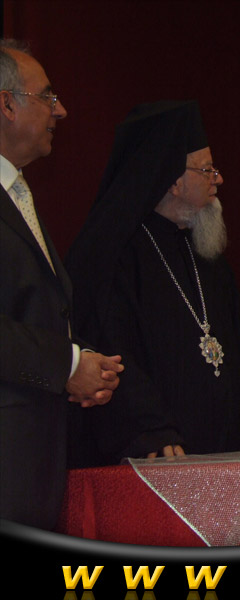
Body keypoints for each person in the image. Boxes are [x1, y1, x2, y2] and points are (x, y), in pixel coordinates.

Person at [66, 100, 240, 466]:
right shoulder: (115, 256)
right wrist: (150, 427)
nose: (219, 179)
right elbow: (114, 350)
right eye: (206, 169)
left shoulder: (204, 250)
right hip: (164, 451)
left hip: (231, 446)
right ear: (172, 179)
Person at [0, 39, 123, 528]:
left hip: (33, 465)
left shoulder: (18, 191)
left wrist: (83, 362)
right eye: (47, 96)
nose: (61, 110)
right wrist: (66, 365)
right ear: (7, 104)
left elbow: (30, 309)